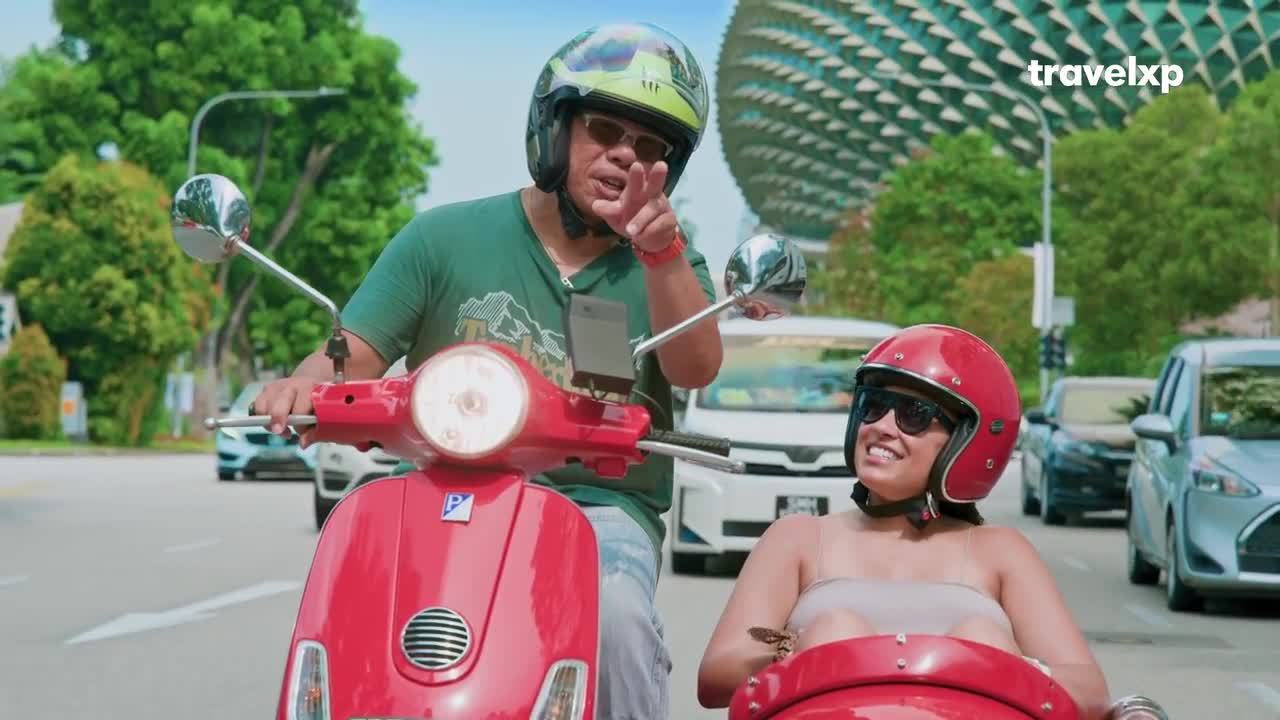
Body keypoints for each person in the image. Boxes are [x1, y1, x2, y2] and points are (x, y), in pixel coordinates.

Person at [252, 22, 722, 719]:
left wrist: (661, 255)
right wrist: (304, 383)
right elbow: (352, 351)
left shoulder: (670, 266)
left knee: (618, 617)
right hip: (440, 489)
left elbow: (694, 368)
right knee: (352, 601)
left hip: (597, 508)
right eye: (603, 130)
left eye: (650, 147)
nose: (625, 156)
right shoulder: (443, 238)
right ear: (555, 127)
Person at [696, 324, 1113, 719]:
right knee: (837, 628)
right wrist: (806, 651)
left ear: (966, 441)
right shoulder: (798, 538)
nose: (881, 427)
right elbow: (716, 675)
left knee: (981, 636)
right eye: (872, 407)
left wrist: (999, 660)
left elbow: (1089, 692)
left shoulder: (1001, 551)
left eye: (913, 414)